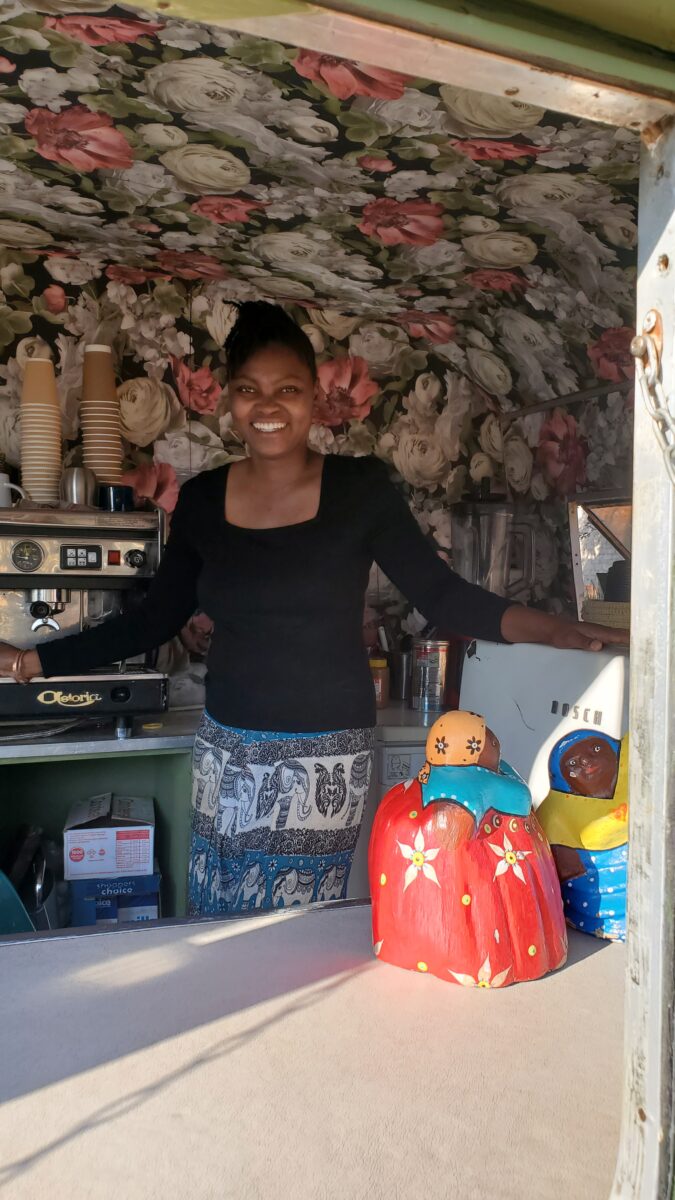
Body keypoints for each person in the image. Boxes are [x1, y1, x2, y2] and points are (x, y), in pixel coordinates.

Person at [0, 301, 629, 916]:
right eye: (250, 389)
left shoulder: (360, 490)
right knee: (217, 920)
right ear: (230, 400)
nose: (268, 406)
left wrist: (555, 630)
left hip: (324, 757)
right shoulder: (201, 501)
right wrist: (31, 664)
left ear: (313, 399)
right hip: (228, 754)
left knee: (298, 932)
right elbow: (152, 620)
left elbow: (442, 595)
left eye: (288, 388)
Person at [369, 711, 568, 986]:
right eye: (489, 741)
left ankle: (408, 942)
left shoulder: (422, 783)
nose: (496, 745)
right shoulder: (485, 782)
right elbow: (522, 798)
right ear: (471, 750)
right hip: (477, 865)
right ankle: (480, 952)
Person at [537, 730, 629, 941]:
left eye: (596, 748)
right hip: (593, 915)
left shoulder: (636, 774)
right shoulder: (556, 817)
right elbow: (566, 873)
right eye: (572, 764)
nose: (587, 760)